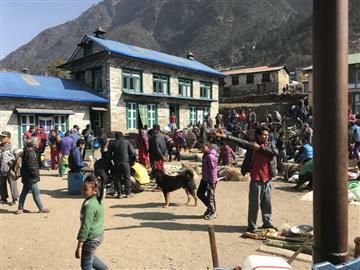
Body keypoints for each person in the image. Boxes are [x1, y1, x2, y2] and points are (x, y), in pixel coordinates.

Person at [214, 126, 278, 232]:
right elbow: (241, 142)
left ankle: (267, 223)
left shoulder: (270, 145)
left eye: (267, 135)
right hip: (256, 180)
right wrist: (225, 136)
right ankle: (252, 226)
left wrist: (259, 148)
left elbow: (274, 152)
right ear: (258, 135)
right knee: (254, 205)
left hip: (268, 180)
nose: (266, 137)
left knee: (267, 204)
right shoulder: (251, 145)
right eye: (264, 135)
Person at [75, 175, 107, 270]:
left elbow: (85, 227)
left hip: (91, 238)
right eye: (82, 188)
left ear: (95, 190)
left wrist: (79, 245)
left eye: (85, 189)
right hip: (98, 234)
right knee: (89, 256)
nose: (82, 191)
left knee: (86, 265)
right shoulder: (97, 199)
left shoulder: (90, 206)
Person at [17, 137, 49, 214]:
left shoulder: (28, 150)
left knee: (24, 192)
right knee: (36, 193)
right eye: (37, 142)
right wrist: (35, 174)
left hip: (26, 176)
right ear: (33, 143)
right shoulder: (31, 152)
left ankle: (20, 208)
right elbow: (30, 166)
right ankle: (41, 208)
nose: (38, 144)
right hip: (31, 177)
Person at [108, 132, 135, 198]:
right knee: (127, 178)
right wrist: (131, 161)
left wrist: (113, 159)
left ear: (115, 137)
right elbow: (133, 152)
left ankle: (119, 194)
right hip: (125, 162)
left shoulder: (113, 143)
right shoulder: (127, 142)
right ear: (122, 136)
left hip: (117, 163)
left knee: (117, 179)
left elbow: (109, 155)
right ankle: (128, 193)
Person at [196, 142, 218, 220]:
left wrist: (212, 182)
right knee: (199, 193)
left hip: (210, 180)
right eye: (201, 147)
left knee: (210, 197)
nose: (201, 149)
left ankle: (213, 212)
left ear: (208, 146)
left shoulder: (210, 156)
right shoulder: (205, 155)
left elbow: (213, 170)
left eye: (203, 147)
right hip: (204, 179)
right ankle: (209, 207)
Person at [0, 131, 19, 205]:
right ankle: (3, 198)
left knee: (12, 184)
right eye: (1, 137)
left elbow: (18, 156)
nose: (2, 138)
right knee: (2, 184)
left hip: (10, 170)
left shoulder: (13, 147)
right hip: (1, 169)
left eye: (4, 137)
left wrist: (12, 163)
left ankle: (15, 199)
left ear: (8, 138)